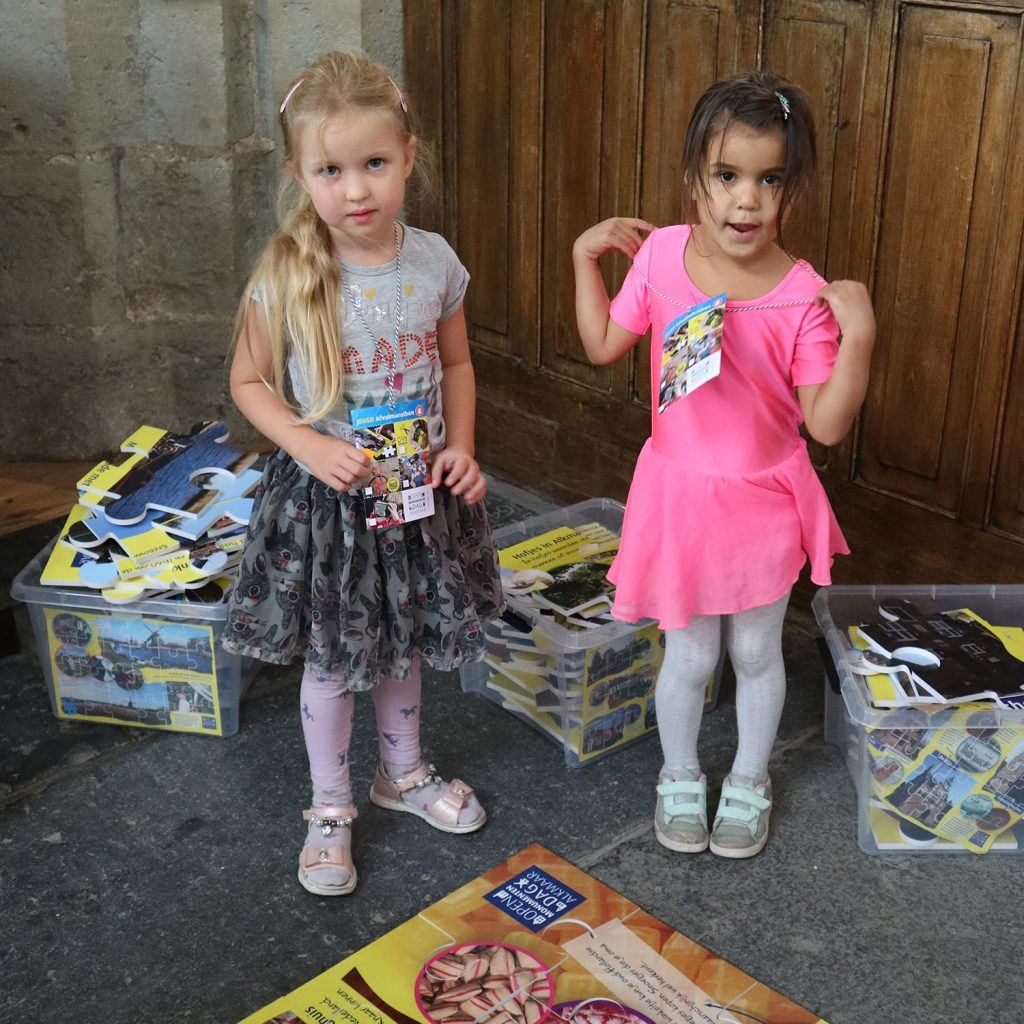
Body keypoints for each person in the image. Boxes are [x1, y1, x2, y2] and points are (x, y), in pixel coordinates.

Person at [222, 49, 504, 895]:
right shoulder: (289, 273)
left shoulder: (434, 263)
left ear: (408, 157)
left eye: (374, 163)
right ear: (300, 175)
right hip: (331, 504)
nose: (356, 189)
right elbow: (246, 381)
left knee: (405, 639)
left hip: (414, 495)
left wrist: (461, 446)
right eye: (332, 169)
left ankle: (403, 774)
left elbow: (456, 366)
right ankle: (330, 805)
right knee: (336, 661)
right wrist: (306, 444)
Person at [573, 72, 875, 858]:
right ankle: (679, 772)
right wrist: (583, 260)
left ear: (792, 188)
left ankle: (748, 778)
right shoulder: (664, 257)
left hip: (762, 503)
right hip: (679, 493)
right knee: (692, 652)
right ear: (693, 181)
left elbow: (827, 426)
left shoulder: (802, 294)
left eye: (768, 180)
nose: (746, 201)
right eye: (727, 177)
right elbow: (604, 346)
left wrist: (861, 340)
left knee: (754, 651)